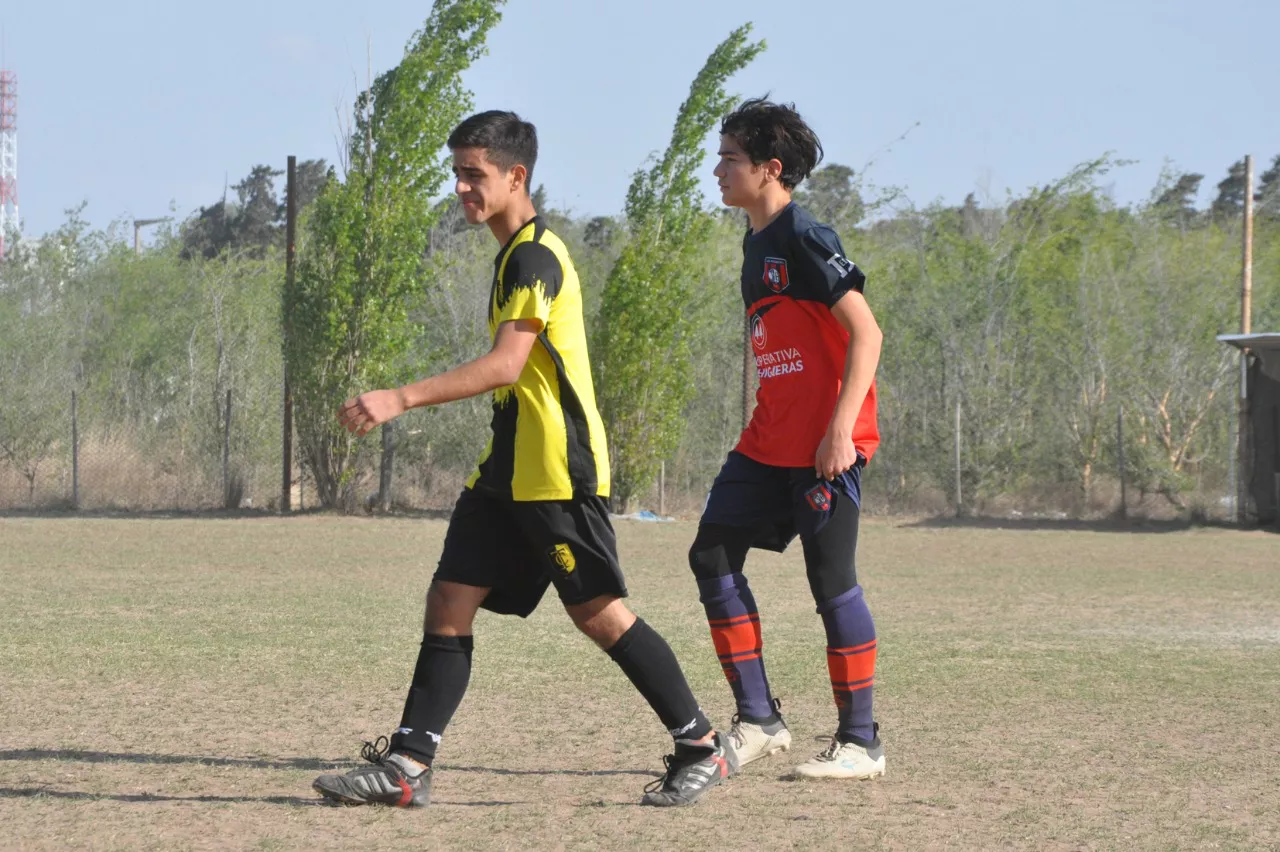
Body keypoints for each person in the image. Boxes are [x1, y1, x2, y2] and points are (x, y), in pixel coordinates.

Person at [312, 111, 726, 808]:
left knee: (600, 615)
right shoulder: (512, 257)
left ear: (516, 175)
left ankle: (701, 746)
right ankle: (407, 767)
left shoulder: (536, 256)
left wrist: (400, 398)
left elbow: (508, 366)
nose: (461, 188)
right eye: (457, 174)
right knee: (450, 598)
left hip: (557, 471)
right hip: (508, 470)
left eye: (473, 174)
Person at [689, 98, 885, 780]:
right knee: (710, 556)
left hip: (825, 447)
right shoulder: (753, 243)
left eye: (730, 159)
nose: (717, 169)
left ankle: (861, 744)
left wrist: (838, 432)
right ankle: (759, 720)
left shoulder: (805, 234)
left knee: (831, 584)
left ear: (770, 169)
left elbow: (868, 334)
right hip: (766, 444)